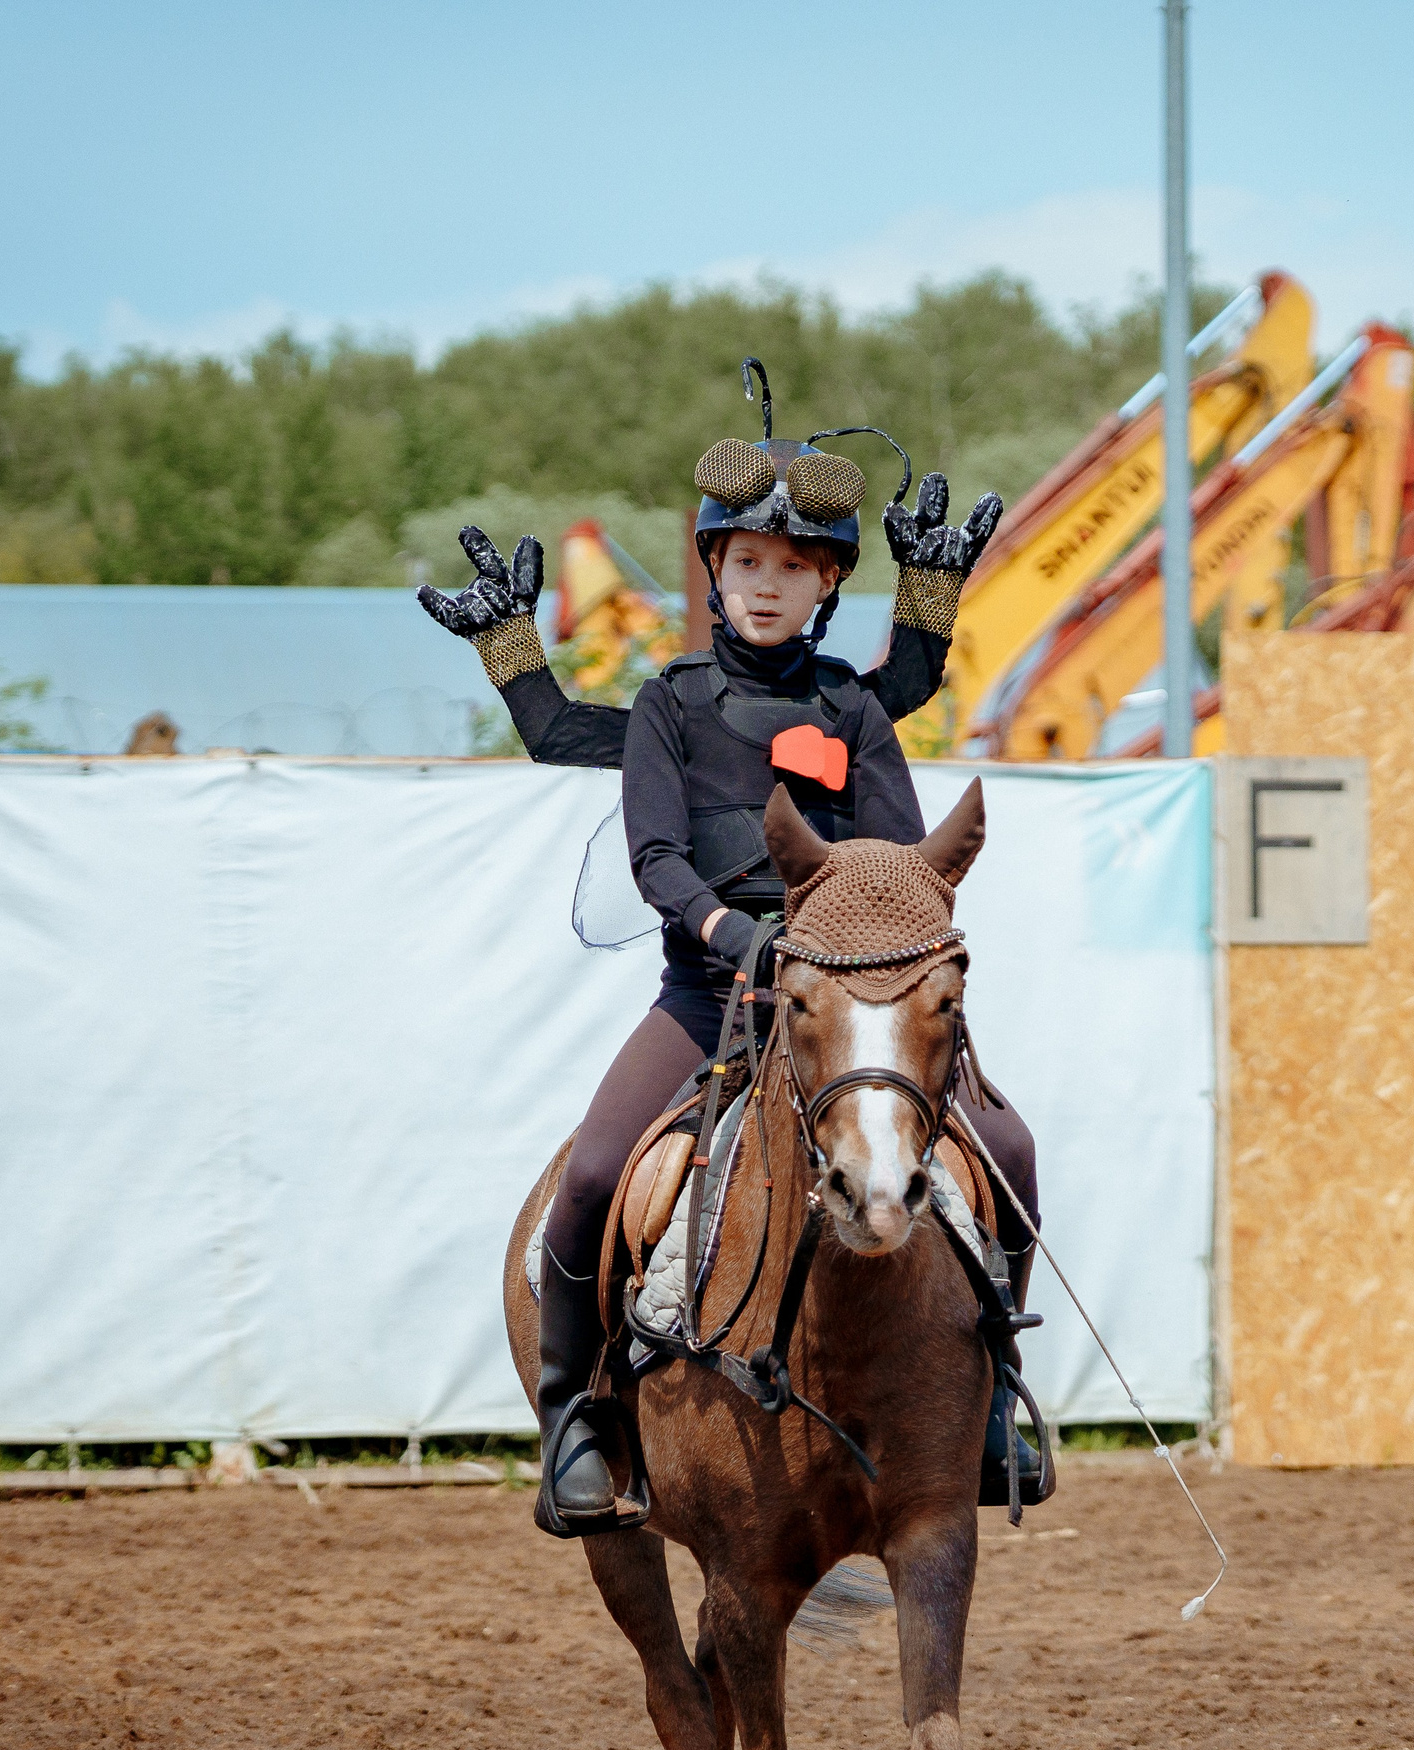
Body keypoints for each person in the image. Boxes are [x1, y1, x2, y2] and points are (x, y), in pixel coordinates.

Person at [418, 363, 1044, 1535]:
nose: (766, 585)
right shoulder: (668, 704)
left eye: (793, 569)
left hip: (845, 1014)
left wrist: (854, 958)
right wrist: (735, 932)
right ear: (714, 572)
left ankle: (996, 1401)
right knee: (593, 1177)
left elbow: (899, 865)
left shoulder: (855, 709)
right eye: (747, 563)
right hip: (706, 1001)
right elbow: (656, 856)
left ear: (822, 587)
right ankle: (578, 1426)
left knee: (1006, 1145)